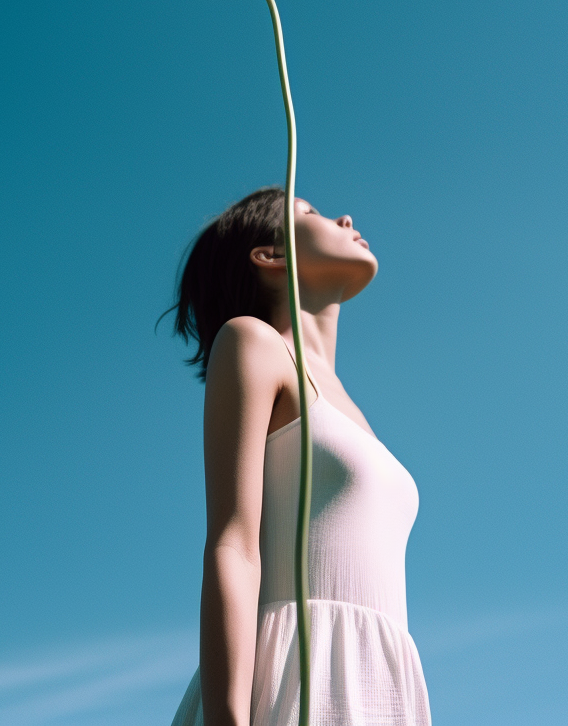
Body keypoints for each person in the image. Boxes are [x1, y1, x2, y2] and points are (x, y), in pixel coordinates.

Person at [166, 187, 431, 726]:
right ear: (270, 256)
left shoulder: (353, 409)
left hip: (377, 681)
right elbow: (232, 544)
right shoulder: (252, 343)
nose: (346, 216)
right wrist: (227, 718)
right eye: (310, 213)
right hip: (289, 676)